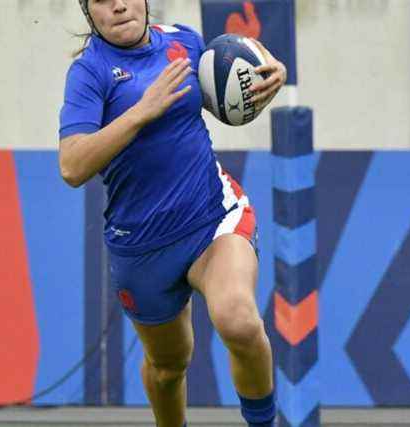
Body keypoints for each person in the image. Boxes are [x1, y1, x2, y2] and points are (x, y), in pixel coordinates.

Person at [58, 1, 286, 426]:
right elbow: (72, 166)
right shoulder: (89, 73)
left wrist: (270, 72)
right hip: (141, 247)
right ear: (89, 13)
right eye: (103, 0)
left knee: (237, 319)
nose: (120, 5)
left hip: (211, 218)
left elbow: (233, 73)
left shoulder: (183, 41)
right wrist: (143, 109)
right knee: (168, 367)